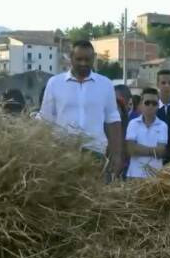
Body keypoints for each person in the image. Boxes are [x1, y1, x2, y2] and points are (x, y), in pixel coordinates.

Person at [39, 40, 123, 178]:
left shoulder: (105, 84)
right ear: (70, 58)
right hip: (63, 154)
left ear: (94, 59)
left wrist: (117, 155)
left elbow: (113, 120)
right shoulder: (54, 83)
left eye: (87, 59)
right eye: (79, 59)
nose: (83, 63)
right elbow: (45, 119)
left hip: (95, 154)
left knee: (96, 198)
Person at [124, 87, 168, 179]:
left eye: (154, 103)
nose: (150, 106)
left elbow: (161, 152)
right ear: (141, 104)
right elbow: (130, 150)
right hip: (134, 175)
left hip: (155, 177)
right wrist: (153, 151)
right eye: (147, 103)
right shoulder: (133, 123)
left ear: (158, 105)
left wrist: (138, 149)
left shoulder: (163, 126)